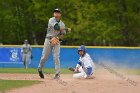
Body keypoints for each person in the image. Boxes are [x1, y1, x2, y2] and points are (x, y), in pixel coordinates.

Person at [38, 8, 71, 79]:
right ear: (53, 14)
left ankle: (57, 74)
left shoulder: (62, 23)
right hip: (48, 39)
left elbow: (63, 34)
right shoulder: (51, 20)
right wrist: (66, 28)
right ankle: (40, 69)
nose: (56, 13)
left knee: (56, 57)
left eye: (58, 12)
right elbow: (57, 27)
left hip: (56, 41)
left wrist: (58, 38)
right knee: (44, 57)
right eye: (55, 12)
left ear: (60, 14)